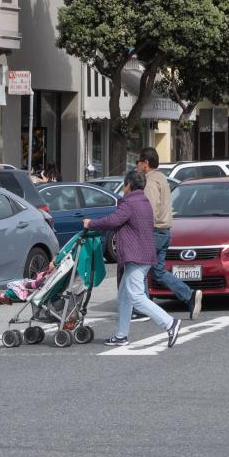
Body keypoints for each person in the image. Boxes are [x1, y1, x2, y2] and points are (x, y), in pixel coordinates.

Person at [83, 169, 181, 347]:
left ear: (128, 185)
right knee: (125, 295)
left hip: (136, 256)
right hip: (142, 254)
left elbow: (113, 220)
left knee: (136, 296)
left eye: (124, 184)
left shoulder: (129, 203)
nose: (123, 188)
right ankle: (121, 335)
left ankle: (169, 323)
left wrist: (91, 223)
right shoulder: (143, 201)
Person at [137, 147, 202, 319]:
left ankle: (141, 308)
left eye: (138, 162)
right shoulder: (161, 178)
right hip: (165, 230)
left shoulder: (150, 182)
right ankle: (190, 296)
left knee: (140, 268)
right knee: (157, 271)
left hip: (154, 231)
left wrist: (141, 232)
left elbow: (148, 210)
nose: (136, 166)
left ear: (146, 163)